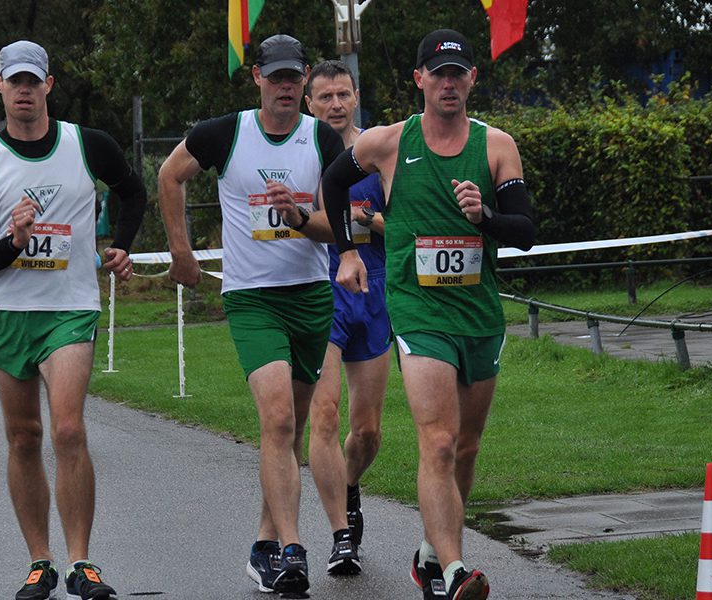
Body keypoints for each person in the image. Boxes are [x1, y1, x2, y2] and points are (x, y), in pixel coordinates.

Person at [321, 30, 536, 600]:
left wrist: (484, 215)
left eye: (458, 73)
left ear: (471, 80)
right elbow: (334, 182)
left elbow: (526, 234)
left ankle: (428, 553)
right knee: (437, 442)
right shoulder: (389, 144)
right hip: (418, 312)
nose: (448, 82)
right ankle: (456, 568)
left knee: (465, 446)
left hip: (479, 315)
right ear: (419, 79)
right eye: (437, 73)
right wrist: (346, 249)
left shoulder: (497, 146)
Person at [157, 34, 345, 596]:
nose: (286, 87)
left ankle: (264, 544)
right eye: (276, 77)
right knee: (278, 421)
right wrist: (182, 252)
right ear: (257, 78)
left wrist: (303, 221)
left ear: (305, 79)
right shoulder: (225, 133)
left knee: (289, 434)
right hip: (252, 298)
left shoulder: (324, 139)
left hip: (312, 295)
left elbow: (348, 225)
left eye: (294, 78)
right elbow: (169, 176)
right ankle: (292, 552)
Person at [0, 40, 146, 600]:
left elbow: (132, 190)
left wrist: (122, 245)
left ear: (48, 85)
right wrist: (12, 243)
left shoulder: (86, 145)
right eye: (14, 81)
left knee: (67, 429)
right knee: (23, 437)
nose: (23, 90)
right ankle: (39, 562)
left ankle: (81, 562)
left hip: (69, 307)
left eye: (32, 81)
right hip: (8, 311)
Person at [299, 60, 390, 577]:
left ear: (356, 97)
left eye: (343, 95)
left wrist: (365, 220)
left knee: (369, 431)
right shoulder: (303, 156)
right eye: (325, 96)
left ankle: (349, 484)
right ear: (310, 104)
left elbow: (404, 227)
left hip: (374, 289)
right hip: (323, 288)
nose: (335, 104)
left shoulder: (378, 153)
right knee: (326, 415)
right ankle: (340, 534)